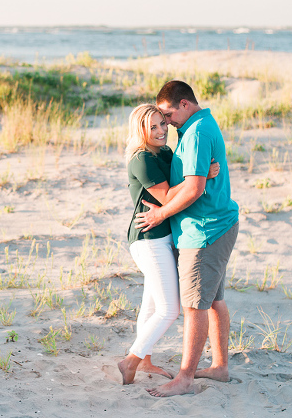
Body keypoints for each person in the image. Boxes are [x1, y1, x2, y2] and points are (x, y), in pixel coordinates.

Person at [135, 80, 239, 397]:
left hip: (204, 232)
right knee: (213, 301)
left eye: (167, 115)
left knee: (194, 306)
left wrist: (160, 215)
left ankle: (184, 379)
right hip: (216, 225)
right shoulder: (199, 125)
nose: (166, 123)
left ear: (184, 104)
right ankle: (219, 367)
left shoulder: (195, 133)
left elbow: (194, 189)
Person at [118, 104, 219, 385]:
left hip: (163, 237)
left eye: (162, 123)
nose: (162, 130)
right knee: (169, 309)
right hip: (149, 239)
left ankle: (145, 361)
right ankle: (131, 360)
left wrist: (195, 177)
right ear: (141, 130)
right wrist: (201, 176)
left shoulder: (163, 152)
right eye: (153, 127)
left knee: (151, 304)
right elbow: (166, 197)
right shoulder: (141, 159)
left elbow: (178, 184)